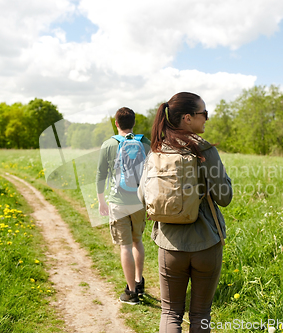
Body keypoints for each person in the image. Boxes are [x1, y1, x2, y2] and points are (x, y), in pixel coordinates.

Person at [137, 92, 233, 332]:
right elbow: (225, 197)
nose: (207, 119)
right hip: (206, 244)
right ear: (188, 118)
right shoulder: (205, 150)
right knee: (200, 314)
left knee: (170, 313)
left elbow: (142, 196)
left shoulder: (157, 151)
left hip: (169, 245)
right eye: (204, 114)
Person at [96, 107, 151, 305]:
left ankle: (131, 293)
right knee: (138, 242)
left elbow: (101, 175)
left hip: (118, 202)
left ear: (116, 123)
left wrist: (101, 201)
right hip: (139, 201)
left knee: (125, 246)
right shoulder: (145, 143)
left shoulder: (109, 144)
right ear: (134, 123)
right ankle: (139, 282)